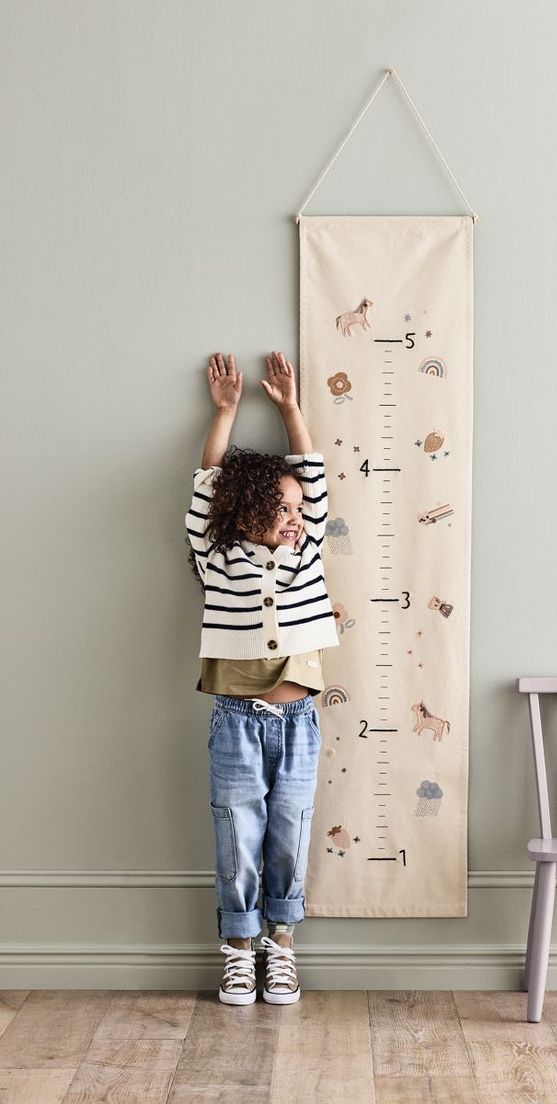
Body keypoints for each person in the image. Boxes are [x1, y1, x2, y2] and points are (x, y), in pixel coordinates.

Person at [185, 350, 340, 1005]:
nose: (296, 517)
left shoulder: (306, 558)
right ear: (246, 508)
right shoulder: (217, 557)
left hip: (299, 722)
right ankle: (239, 949)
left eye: (299, 510)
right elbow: (206, 483)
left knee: (289, 834)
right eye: (283, 507)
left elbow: (313, 476)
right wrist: (225, 413)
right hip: (235, 723)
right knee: (237, 835)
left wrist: (290, 409)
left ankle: (282, 945)